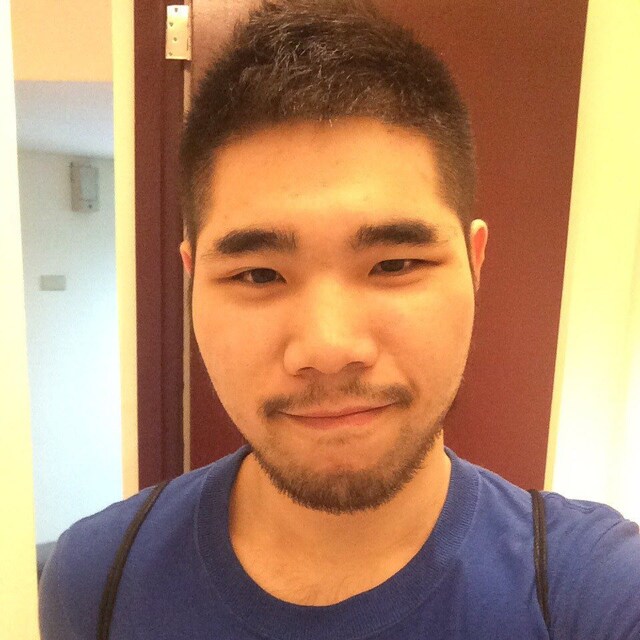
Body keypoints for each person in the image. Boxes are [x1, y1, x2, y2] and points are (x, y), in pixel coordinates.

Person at [39, 1, 640, 638]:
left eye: (395, 264)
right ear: (193, 281)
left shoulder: (595, 592)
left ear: (475, 264)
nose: (328, 348)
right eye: (258, 274)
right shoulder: (98, 580)